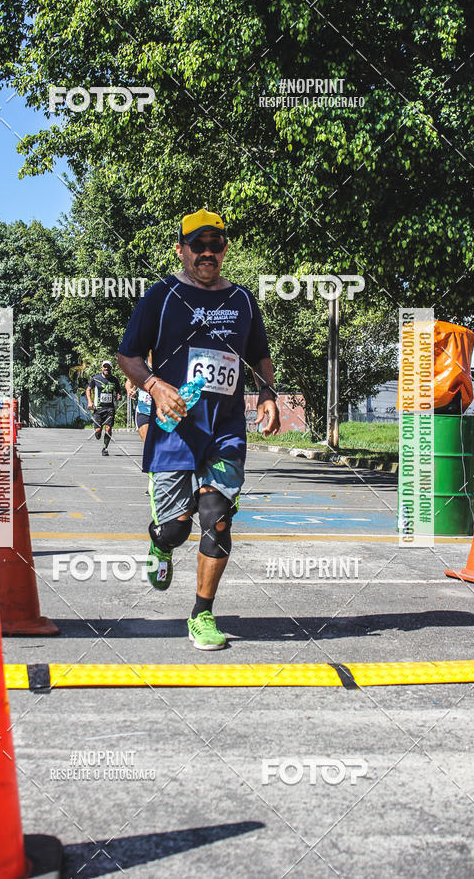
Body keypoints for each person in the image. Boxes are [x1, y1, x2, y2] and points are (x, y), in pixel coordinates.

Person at [118, 208, 280, 651]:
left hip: (225, 428)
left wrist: (267, 393)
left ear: (225, 249)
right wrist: (154, 386)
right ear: (181, 249)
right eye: (198, 245)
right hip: (174, 428)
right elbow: (128, 355)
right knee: (176, 528)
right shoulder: (162, 295)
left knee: (217, 518)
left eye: (215, 244)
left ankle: (202, 614)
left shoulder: (243, 299)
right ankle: (160, 541)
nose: (207, 252)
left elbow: (259, 354)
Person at [85, 360, 122, 456]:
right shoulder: (95, 379)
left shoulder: (114, 380)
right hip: (98, 408)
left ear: (111, 368)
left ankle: (105, 448)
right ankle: (98, 433)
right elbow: (88, 389)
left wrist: (119, 395)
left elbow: (118, 391)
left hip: (110, 408)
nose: (106, 368)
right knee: (98, 430)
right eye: (104, 367)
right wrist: (89, 401)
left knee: (108, 429)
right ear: (101, 368)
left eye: (108, 367)